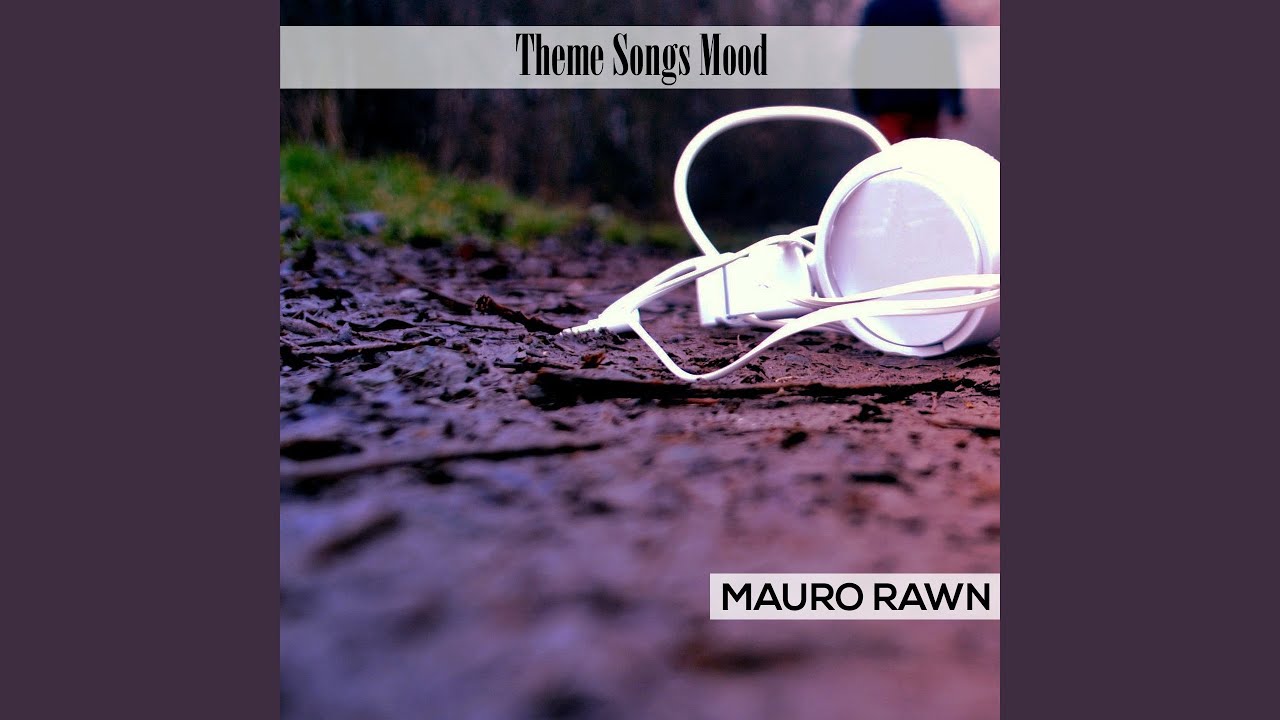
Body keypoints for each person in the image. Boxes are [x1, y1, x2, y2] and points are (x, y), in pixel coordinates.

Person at [852, 0, 965, 144]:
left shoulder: (876, 8)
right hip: (924, 102)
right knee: (924, 154)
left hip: (888, 102)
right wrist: (955, 103)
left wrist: (862, 99)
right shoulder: (929, 6)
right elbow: (944, 55)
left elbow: (864, 55)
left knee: (893, 154)